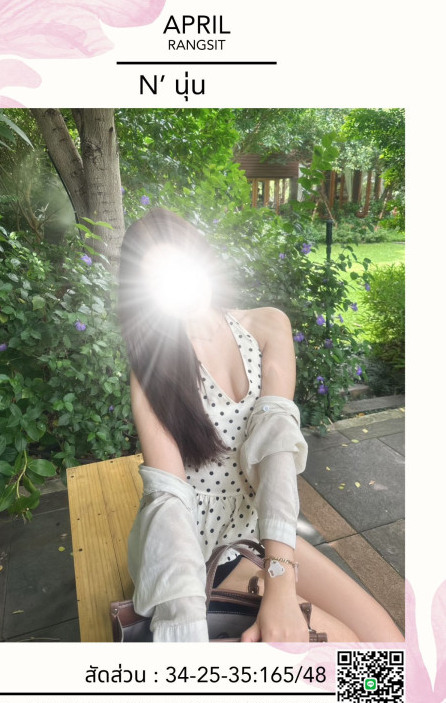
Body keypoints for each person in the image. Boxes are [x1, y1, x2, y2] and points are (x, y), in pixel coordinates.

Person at [117, 208, 404, 643]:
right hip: (197, 552)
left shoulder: (268, 324)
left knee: (387, 642)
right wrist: (184, 632)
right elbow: (169, 497)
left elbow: (276, 450)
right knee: (346, 649)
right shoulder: (153, 364)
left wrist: (280, 579)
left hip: (256, 531)